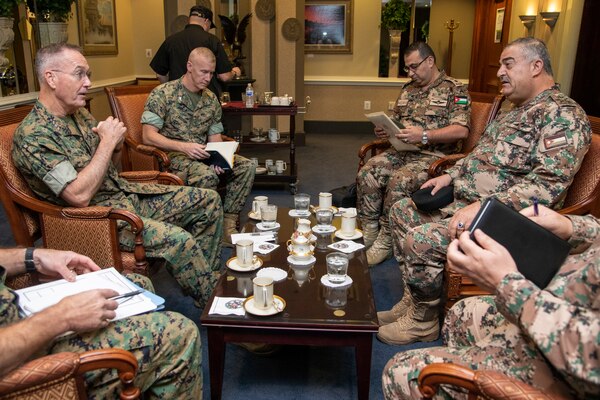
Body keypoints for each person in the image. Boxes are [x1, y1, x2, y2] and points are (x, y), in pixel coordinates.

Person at [378, 37, 592, 345]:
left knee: (421, 240)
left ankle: (423, 321)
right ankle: (415, 300)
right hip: (468, 203)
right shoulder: (513, 110)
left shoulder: (562, 115)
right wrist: (450, 177)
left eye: (508, 64)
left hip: (509, 222)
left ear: (536, 67)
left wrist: (484, 207)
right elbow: (479, 157)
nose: (500, 73)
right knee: (402, 209)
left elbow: (545, 188)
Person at [12, 43, 222, 309]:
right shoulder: (35, 135)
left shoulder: (78, 114)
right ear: (51, 78)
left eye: (88, 74)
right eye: (80, 74)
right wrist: (106, 143)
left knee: (209, 201)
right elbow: (78, 195)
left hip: (124, 195)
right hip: (98, 219)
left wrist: (116, 146)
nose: (88, 83)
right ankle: (217, 307)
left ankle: (203, 278)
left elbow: (106, 169)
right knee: (181, 241)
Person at [382, 204, 600, 399]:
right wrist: (572, 227)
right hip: (560, 302)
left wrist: (507, 285)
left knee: (402, 374)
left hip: (570, 367)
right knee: (463, 313)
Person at [0, 247, 202, 399]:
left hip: (18, 312)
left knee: (138, 287)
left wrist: (33, 257)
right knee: (180, 333)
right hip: (21, 363)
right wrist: (62, 316)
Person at [356, 41, 471, 266]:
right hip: (402, 150)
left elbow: (461, 130)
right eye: (408, 68)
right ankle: (369, 228)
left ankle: (386, 239)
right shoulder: (408, 89)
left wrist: (425, 135)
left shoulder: (455, 89)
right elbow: (396, 120)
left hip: (434, 157)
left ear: (430, 61)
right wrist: (383, 129)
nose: (410, 72)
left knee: (400, 180)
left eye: (414, 66)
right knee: (369, 171)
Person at [142, 47, 255, 243]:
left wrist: (220, 158)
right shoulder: (163, 94)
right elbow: (148, 136)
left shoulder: (210, 99)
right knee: (206, 175)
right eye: (204, 72)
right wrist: (183, 147)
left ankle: (227, 223)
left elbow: (215, 138)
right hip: (173, 158)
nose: (208, 78)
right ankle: (203, 232)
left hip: (202, 155)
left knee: (247, 166)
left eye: (211, 73)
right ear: (189, 66)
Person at [150, 5, 241, 98]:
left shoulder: (170, 41)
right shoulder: (212, 40)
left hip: (178, 99)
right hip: (206, 100)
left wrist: (172, 89)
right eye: (210, 26)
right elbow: (224, 76)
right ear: (206, 21)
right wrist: (234, 72)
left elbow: (160, 74)